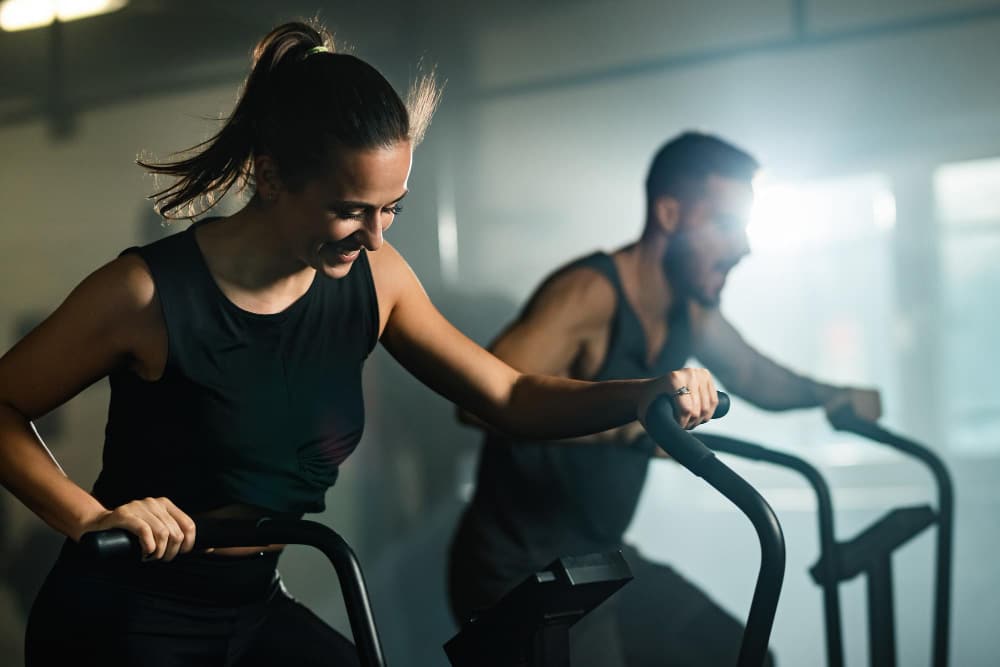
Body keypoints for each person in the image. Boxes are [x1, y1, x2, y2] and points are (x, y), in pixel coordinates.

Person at [0, 22, 720, 667]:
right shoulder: (148, 293)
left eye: (391, 210)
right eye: (349, 210)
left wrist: (645, 391)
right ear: (272, 173)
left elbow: (509, 394)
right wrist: (91, 517)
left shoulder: (376, 280)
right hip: (126, 615)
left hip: (252, 604)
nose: (376, 237)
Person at [447, 132, 884, 667]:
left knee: (739, 657)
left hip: (597, 559)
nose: (743, 247)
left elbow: (751, 372)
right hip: (517, 573)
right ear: (670, 214)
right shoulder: (590, 293)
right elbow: (477, 401)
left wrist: (830, 395)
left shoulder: (690, 304)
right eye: (725, 225)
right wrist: (628, 419)